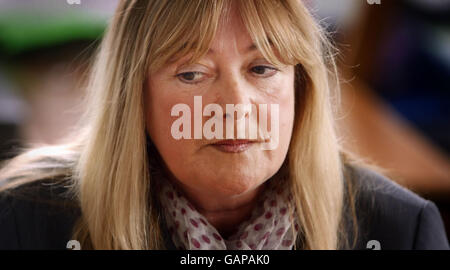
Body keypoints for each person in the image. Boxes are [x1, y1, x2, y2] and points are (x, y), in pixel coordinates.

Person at [0, 0, 448, 250]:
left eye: (262, 69)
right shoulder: (23, 222)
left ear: (301, 88)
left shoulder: (401, 231)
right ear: (134, 97)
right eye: (191, 73)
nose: (235, 105)